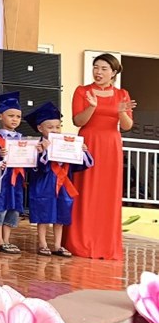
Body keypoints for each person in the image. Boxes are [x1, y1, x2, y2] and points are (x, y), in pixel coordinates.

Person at [65, 53, 135, 260]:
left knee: (107, 193)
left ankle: (105, 245)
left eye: (104, 68)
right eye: (96, 67)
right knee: (84, 189)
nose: (98, 72)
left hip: (111, 146)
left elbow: (127, 126)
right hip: (88, 142)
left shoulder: (122, 94)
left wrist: (121, 112)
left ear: (113, 72)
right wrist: (92, 106)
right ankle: (80, 242)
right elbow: (78, 121)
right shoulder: (82, 91)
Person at [27, 102, 93, 257]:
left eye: (58, 127)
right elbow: (37, 167)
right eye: (50, 127)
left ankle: (57, 245)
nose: (55, 130)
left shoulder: (66, 143)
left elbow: (83, 165)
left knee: (61, 216)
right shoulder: (37, 145)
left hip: (63, 184)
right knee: (44, 215)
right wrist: (43, 152)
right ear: (40, 128)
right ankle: (43, 244)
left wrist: (82, 151)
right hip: (44, 184)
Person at [0, 91, 26, 254]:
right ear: (0, 116)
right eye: (11, 116)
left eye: (18, 116)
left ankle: (7, 239)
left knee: (13, 207)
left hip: (16, 178)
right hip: (1, 179)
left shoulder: (22, 139)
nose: (15, 119)